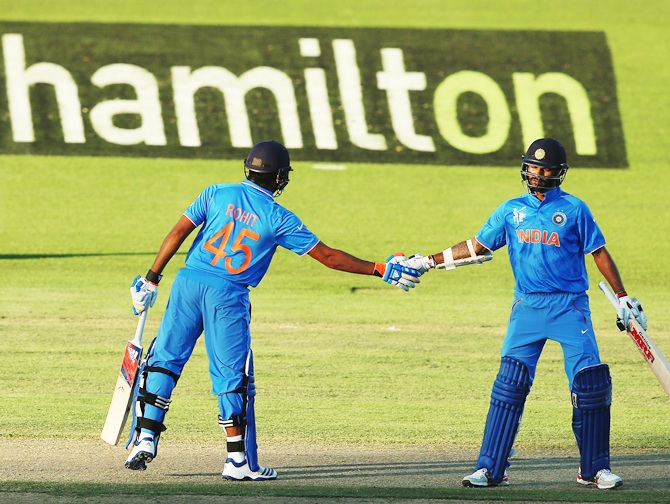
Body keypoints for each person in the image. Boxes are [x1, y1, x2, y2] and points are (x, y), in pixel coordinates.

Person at [124, 140, 421, 480]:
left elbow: (178, 232)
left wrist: (151, 281)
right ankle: (236, 461)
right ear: (279, 178)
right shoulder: (279, 217)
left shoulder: (216, 193)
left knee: (165, 359)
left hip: (187, 283)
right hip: (229, 294)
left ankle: (146, 436)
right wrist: (381, 269)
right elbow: (327, 256)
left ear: (248, 168)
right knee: (230, 375)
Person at [404, 138, 647, 490]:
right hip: (527, 306)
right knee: (509, 385)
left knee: (590, 384)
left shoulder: (576, 209)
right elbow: (477, 247)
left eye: (546, 168)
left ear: (559, 173)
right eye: (534, 167)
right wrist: (427, 261)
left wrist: (623, 297)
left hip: (570, 306)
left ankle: (594, 469)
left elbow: (599, 253)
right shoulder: (510, 210)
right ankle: (490, 469)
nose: (538, 173)